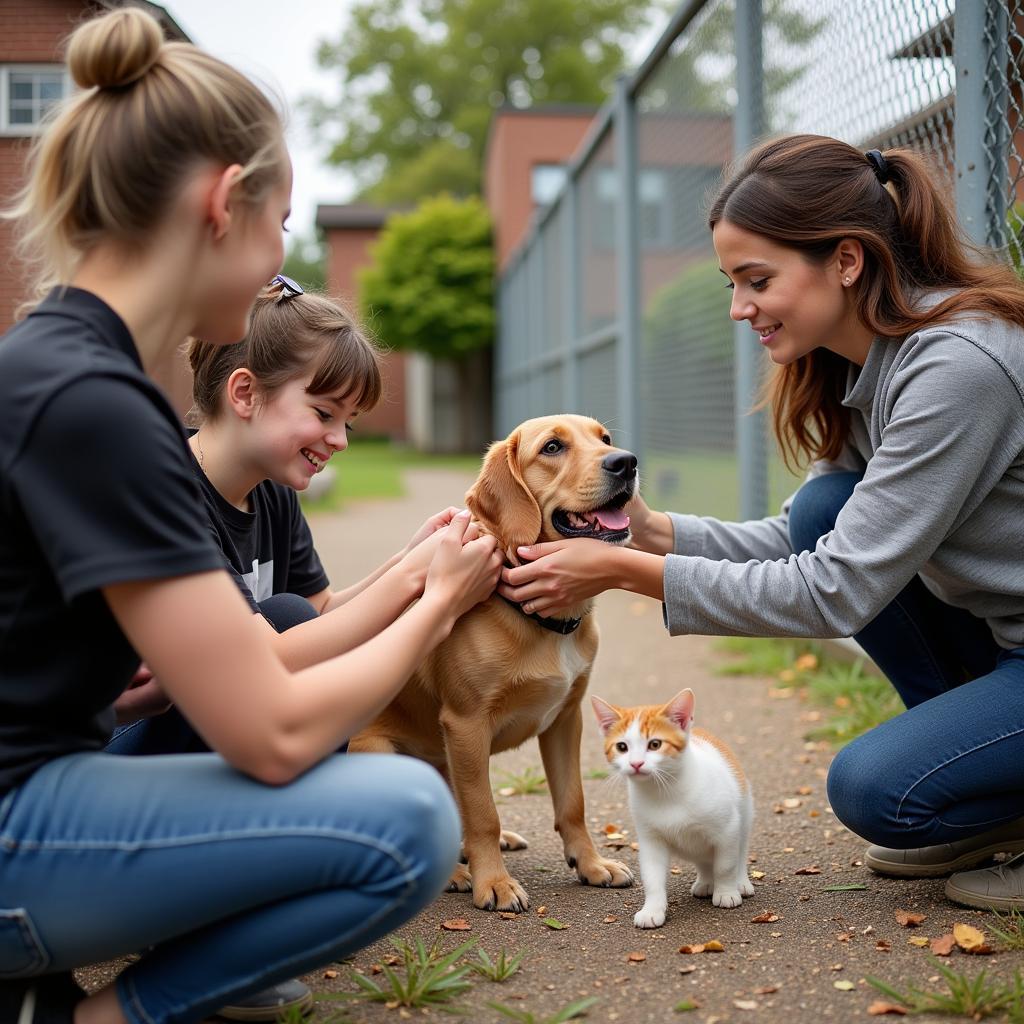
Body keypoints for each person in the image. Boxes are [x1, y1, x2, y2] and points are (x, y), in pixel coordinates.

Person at [0, 9, 501, 1024]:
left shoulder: (69, 368)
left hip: (45, 789)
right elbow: (273, 733)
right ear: (225, 203)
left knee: (277, 634)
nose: (283, 257)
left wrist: (413, 576)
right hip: (18, 825)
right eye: (282, 223)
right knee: (405, 819)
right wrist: (435, 603)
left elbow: (271, 650)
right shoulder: (93, 402)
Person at [499, 133, 1024, 911]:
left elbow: (832, 593)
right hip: (1005, 642)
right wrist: (642, 529)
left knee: (875, 792)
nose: (741, 307)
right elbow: (799, 540)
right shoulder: (863, 365)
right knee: (821, 508)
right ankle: (988, 789)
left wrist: (618, 570)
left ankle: (989, 795)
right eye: (731, 284)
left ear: (846, 260)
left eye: (757, 280)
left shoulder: (956, 369)